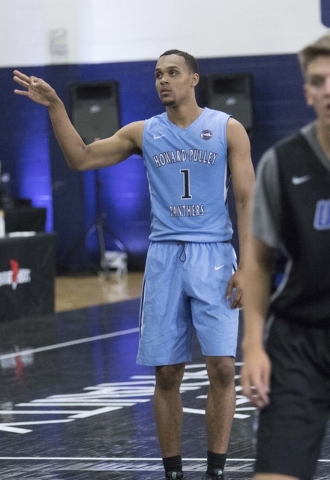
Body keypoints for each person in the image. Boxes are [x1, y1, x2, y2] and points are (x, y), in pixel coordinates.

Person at [13, 49, 254, 480]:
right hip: (164, 258)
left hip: (214, 256)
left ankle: (216, 469)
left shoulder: (226, 128)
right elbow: (81, 159)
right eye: (158, 74)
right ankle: (173, 472)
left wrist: (249, 262)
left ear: (194, 79)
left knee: (220, 366)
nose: (163, 80)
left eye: (173, 73)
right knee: (167, 372)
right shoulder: (143, 132)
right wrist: (56, 108)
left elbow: (246, 198)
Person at [240, 34, 330, 480]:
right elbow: (257, 261)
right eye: (319, 80)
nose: (329, 88)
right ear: (308, 93)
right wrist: (253, 345)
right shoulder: (282, 162)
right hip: (299, 342)